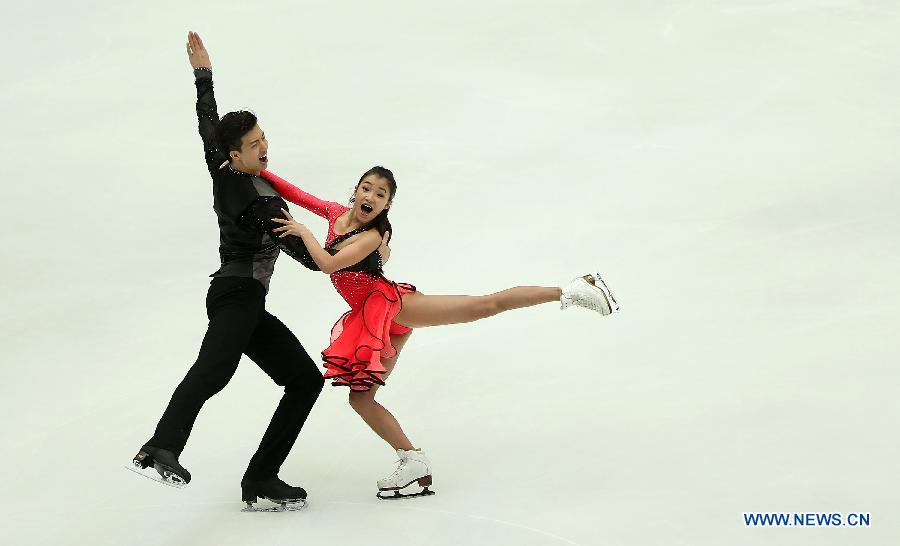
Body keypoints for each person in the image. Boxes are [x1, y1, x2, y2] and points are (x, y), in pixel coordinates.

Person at [259, 167, 619, 499]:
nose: (371, 196)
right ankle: (412, 461)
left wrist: (302, 231)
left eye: (381, 194)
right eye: (367, 188)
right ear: (356, 190)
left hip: (393, 306)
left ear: (388, 204)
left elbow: (328, 264)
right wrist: (256, 172)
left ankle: (573, 289)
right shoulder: (335, 213)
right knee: (361, 398)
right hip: (371, 320)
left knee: (483, 305)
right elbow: (294, 192)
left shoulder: (371, 236)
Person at [129, 32, 324, 511]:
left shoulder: (224, 165)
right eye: (254, 144)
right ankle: (160, 447)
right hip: (236, 293)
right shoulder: (255, 200)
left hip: (247, 301)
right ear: (235, 154)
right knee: (215, 370)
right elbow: (304, 256)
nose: (264, 147)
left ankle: (260, 477)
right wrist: (343, 250)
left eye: (264, 138)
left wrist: (203, 76)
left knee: (304, 380)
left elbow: (207, 124)